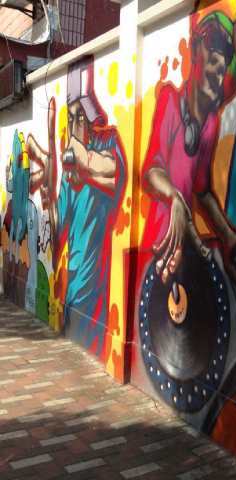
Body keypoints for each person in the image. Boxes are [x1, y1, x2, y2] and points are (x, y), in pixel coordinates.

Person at [141, 8, 236, 286]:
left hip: (187, 253)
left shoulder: (210, 125)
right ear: (195, 50)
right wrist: (173, 196)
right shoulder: (169, 100)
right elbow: (151, 170)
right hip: (159, 248)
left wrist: (229, 237)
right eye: (213, 43)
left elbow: (202, 191)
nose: (220, 61)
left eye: (227, 54)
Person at [27, 56, 127, 355]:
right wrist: (48, 202)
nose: (74, 126)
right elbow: (60, 230)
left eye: (80, 117)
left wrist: (82, 160)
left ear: (92, 118)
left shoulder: (108, 142)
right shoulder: (70, 174)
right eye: (70, 119)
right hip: (73, 288)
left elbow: (113, 172)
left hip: (97, 291)